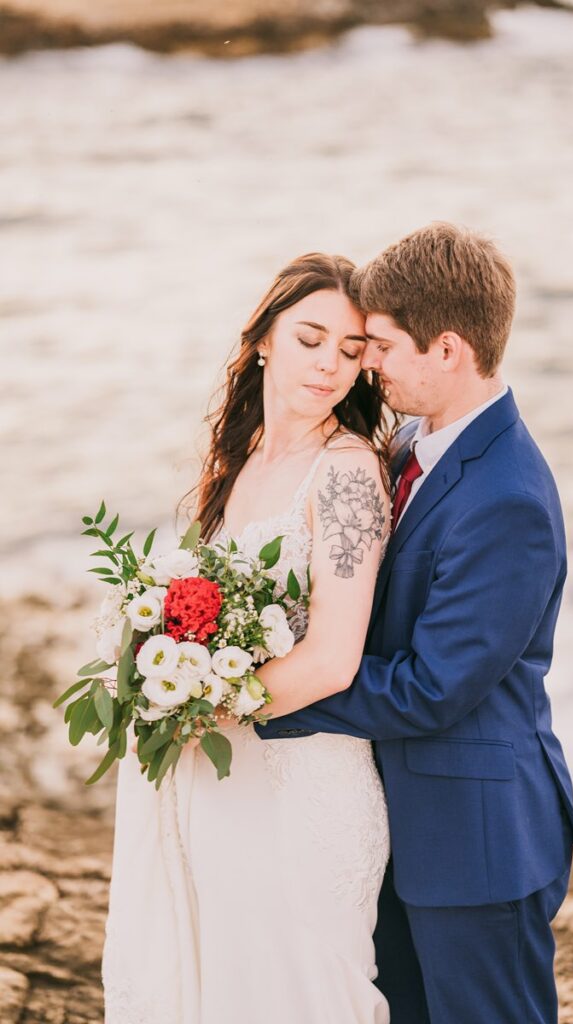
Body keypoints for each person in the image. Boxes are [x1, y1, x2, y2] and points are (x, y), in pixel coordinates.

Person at [257, 223, 573, 1024]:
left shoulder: (506, 500)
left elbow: (430, 689)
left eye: (377, 343)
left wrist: (260, 693)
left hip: (475, 841)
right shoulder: (414, 441)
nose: (362, 362)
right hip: (395, 827)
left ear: (446, 350)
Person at [102, 252, 394, 1024]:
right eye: (310, 339)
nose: (330, 363)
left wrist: (204, 708)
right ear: (263, 337)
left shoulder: (345, 472)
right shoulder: (235, 462)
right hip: (219, 777)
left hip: (300, 784)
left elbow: (334, 655)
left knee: (295, 992)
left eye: (352, 351)